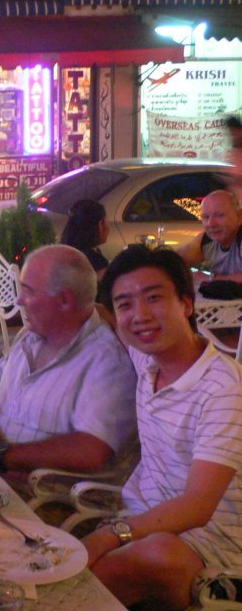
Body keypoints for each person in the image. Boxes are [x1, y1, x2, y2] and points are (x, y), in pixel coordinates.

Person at [83, 245, 242, 610]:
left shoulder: (224, 389)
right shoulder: (147, 359)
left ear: (186, 304)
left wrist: (110, 536)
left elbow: (197, 508)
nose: (140, 315)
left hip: (210, 547)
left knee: (86, 574)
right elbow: (113, 319)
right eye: (125, 304)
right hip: (140, 520)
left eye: (154, 298)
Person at [0, 245, 137, 481]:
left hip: (43, 493)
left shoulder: (106, 362)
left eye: (28, 291)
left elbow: (91, 449)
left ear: (64, 300)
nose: (19, 300)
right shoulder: (31, 335)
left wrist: (2, 457)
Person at [177, 189, 242, 282]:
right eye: (206, 217)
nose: (211, 224)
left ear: (239, 217)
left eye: (219, 215)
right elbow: (175, 261)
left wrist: (211, 279)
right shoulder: (207, 240)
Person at [60, 199, 110, 280]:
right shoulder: (96, 262)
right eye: (107, 221)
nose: (108, 228)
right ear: (100, 225)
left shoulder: (66, 253)